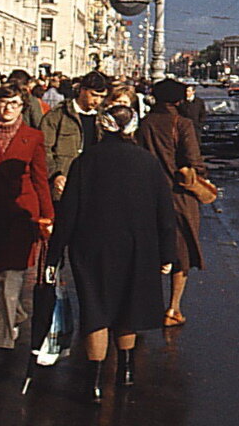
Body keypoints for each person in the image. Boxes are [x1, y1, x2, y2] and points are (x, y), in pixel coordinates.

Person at [46, 105, 176, 402]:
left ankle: (94, 382)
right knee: (127, 309)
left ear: (102, 128)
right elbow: (164, 214)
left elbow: (68, 213)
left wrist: (54, 256)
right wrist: (167, 254)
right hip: (138, 246)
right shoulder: (147, 163)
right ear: (133, 129)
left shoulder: (85, 162)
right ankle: (126, 370)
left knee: (96, 311)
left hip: (92, 248)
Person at [0, 84, 53, 371]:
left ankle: (1, 343)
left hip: (20, 217)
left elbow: (41, 179)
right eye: (3, 103)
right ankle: (14, 314)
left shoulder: (33, 137)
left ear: (22, 106)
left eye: (14, 103)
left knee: (9, 277)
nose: (7, 109)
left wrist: (47, 216)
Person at [137, 79, 207, 328]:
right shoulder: (182, 124)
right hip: (179, 198)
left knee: (150, 252)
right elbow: (194, 162)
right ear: (178, 100)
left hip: (148, 197)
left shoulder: (144, 124)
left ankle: (144, 306)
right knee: (181, 253)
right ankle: (173, 308)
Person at [39, 71, 109, 201]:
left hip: (94, 183)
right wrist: (56, 175)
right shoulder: (58, 115)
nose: (97, 101)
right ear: (82, 90)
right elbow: (43, 149)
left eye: (102, 97)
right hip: (64, 183)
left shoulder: (103, 118)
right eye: (94, 95)